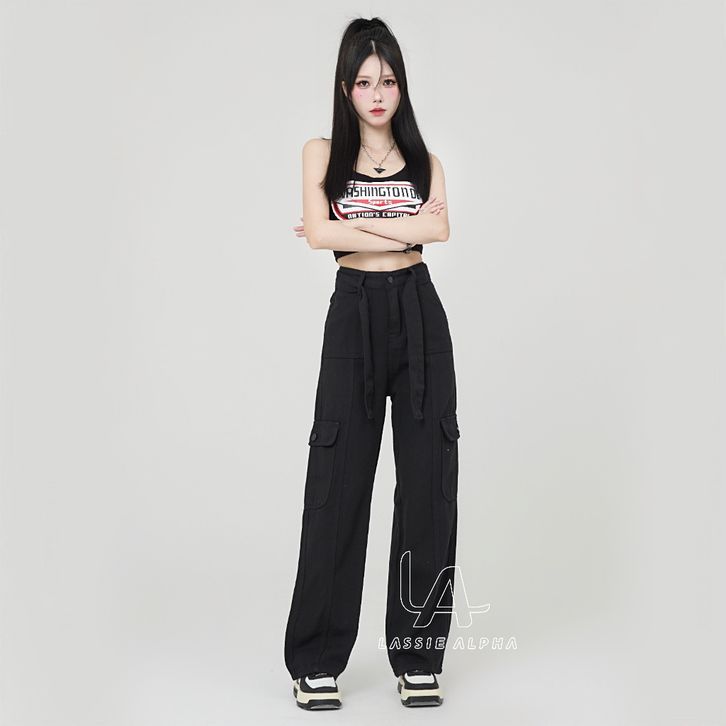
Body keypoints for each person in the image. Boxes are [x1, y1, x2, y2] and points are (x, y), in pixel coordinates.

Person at [284, 17, 461, 710]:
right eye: (364, 82)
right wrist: (400, 227)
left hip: (419, 313)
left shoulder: (427, 161)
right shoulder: (321, 154)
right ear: (345, 89)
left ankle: (418, 656)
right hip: (353, 311)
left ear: (401, 86)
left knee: (428, 486)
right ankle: (316, 660)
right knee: (338, 481)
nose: (378, 93)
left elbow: (439, 229)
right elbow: (318, 239)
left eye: (387, 80)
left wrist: (347, 225)